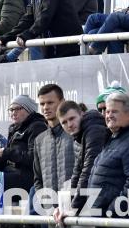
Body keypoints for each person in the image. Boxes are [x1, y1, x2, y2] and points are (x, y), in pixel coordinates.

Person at [56, 92, 129, 221]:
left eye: (114, 112)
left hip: (115, 221)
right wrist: (70, 207)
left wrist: (110, 213)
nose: (108, 116)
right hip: (102, 219)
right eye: (107, 112)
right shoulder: (112, 139)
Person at [30, 84, 75, 214]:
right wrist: (44, 203)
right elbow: (38, 178)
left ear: (63, 102)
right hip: (50, 213)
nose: (45, 107)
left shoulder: (76, 134)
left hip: (75, 210)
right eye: (42, 104)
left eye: (50, 102)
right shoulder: (40, 140)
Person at [56, 100, 107, 211]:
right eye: (64, 122)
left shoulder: (94, 129)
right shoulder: (81, 134)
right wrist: (66, 206)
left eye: (72, 118)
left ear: (81, 114)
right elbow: (77, 172)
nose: (69, 125)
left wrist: (73, 207)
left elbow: (88, 170)